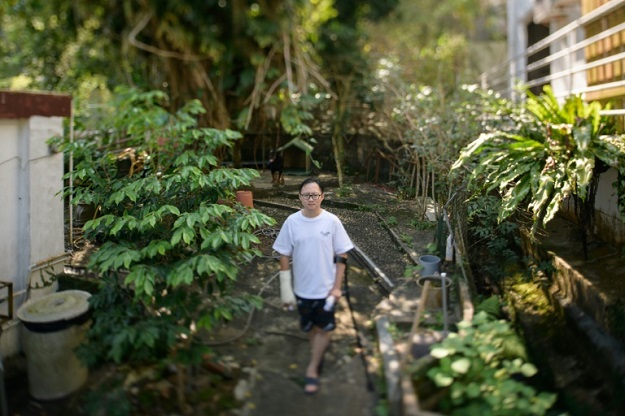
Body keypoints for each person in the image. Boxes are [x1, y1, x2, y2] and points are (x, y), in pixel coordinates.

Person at [272, 177, 354, 395]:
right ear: (299, 197)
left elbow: (342, 254)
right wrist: (286, 289)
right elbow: (283, 254)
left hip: (326, 290)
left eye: (315, 195)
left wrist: (337, 287)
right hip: (302, 290)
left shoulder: (332, 221)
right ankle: (316, 353)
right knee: (310, 327)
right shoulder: (291, 222)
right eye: (306, 195)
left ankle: (313, 367)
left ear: (322, 197)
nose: (311, 199)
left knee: (324, 328)